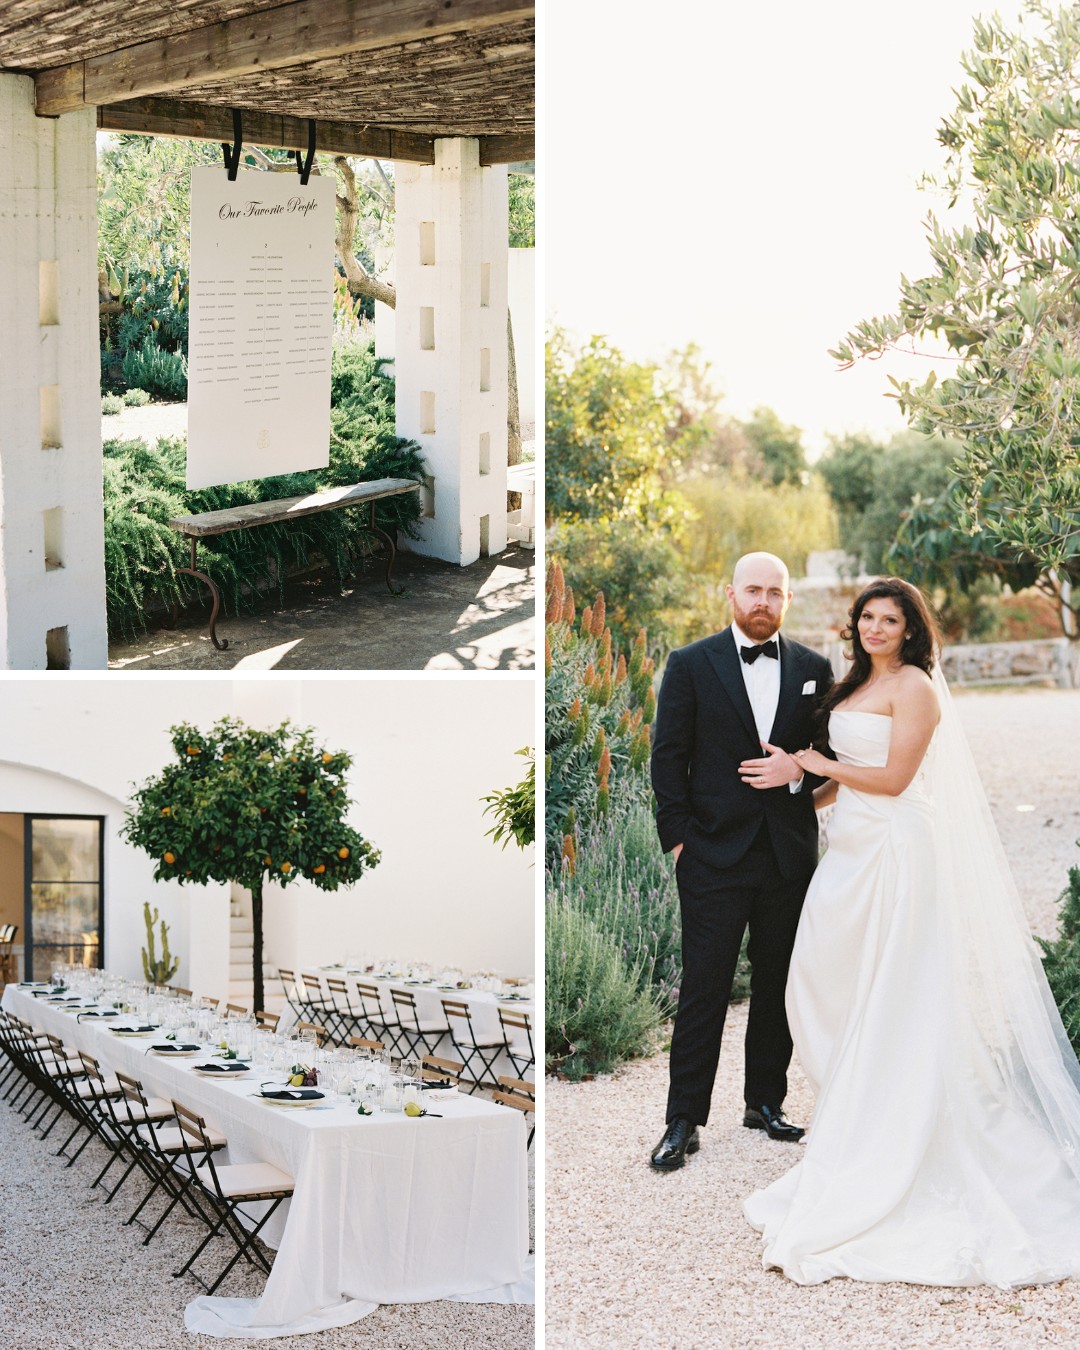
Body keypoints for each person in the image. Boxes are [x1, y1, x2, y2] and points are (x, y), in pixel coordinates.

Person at [744, 577, 1080, 1286]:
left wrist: (817, 764)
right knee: (821, 975)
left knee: (897, 987)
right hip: (851, 849)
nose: (874, 628)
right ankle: (857, 1107)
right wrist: (798, 781)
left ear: (909, 628)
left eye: (888, 619)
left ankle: (894, 1121)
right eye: (866, 617)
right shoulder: (851, 685)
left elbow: (894, 778)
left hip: (899, 848)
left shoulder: (918, 689)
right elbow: (838, 779)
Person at [648, 552, 834, 1170]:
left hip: (787, 856)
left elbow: (826, 760)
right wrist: (679, 843)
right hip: (711, 855)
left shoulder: (813, 667)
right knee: (704, 987)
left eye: (773, 593)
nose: (762, 601)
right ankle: (683, 1120)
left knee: (777, 984)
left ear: (787, 600)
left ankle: (764, 1103)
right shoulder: (691, 664)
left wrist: (794, 773)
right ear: (729, 593)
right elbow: (668, 759)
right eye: (752, 590)